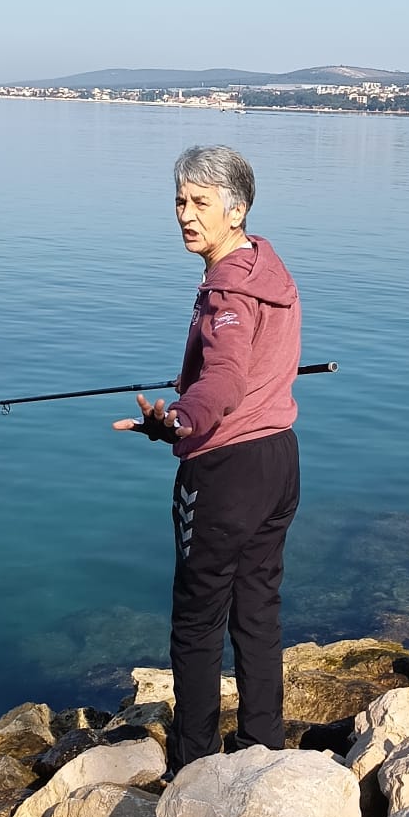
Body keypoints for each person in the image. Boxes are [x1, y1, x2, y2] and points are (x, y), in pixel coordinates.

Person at [113, 144, 301, 775]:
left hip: (225, 473)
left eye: (200, 202)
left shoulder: (227, 292)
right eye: (179, 200)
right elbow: (246, 372)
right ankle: (262, 749)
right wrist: (169, 423)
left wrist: (186, 418)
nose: (184, 214)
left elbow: (224, 376)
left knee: (196, 623)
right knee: (257, 609)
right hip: (278, 459)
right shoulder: (267, 270)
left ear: (236, 209)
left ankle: (194, 767)